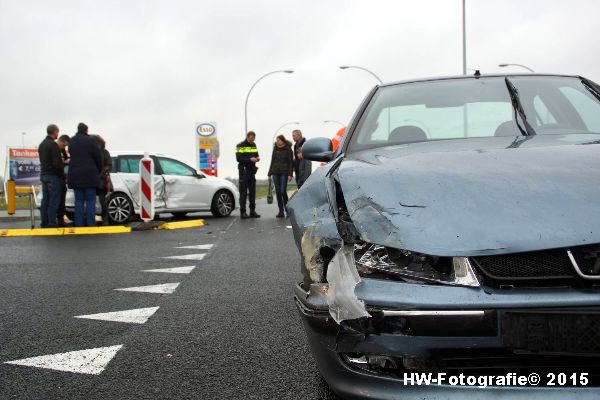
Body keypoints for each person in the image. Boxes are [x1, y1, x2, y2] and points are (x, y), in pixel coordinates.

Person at [67, 123, 102, 227]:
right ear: (86, 130)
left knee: (78, 201)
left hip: (75, 176)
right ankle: (90, 223)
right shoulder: (91, 141)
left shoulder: (72, 141)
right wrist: (97, 170)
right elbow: (98, 158)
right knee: (91, 201)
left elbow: (71, 154)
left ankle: (79, 223)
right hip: (90, 176)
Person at [38, 124, 64, 228]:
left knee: (45, 200)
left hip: (43, 175)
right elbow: (56, 163)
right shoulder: (53, 145)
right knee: (54, 200)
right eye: (57, 132)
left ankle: (44, 222)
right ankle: (52, 223)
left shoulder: (42, 144)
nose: (58, 134)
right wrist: (61, 174)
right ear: (55, 132)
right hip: (53, 176)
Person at [236, 131, 261, 219]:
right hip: (244, 171)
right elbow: (238, 159)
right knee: (243, 193)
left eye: (253, 139)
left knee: (252, 192)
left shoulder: (254, 145)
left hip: (252, 171)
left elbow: (257, 155)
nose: (252, 140)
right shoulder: (240, 145)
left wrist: (257, 158)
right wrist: (250, 159)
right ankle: (243, 212)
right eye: (251, 138)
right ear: (248, 137)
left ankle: (252, 211)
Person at [267, 135, 293, 218]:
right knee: (278, 192)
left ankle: (287, 210)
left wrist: (290, 174)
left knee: (282, 191)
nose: (277, 141)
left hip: (284, 172)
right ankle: (281, 211)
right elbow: (272, 161)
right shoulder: (275, 149)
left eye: (278, 140)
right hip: (275, 172)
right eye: (277, 140)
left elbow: (291, 163)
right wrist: (269, 173)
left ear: (282, 140)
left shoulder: (288, 149)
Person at [92, 135, 112, 225]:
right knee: (102, 201)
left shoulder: (94, 152)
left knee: (96, 201)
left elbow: (108, 166)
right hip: (100, 179)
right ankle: (105, 219)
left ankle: (102, 219)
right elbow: (109, 165)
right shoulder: (104, 152)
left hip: (97, 180)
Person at [56, 134, 71, 226]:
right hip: (57, 177)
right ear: (62, 141)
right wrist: (65, 162)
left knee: (62, 200)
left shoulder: (62, 150)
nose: (64, 147)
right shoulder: (55, 148)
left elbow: (65, 158)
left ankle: (60, 220)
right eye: (64, 145)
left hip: (62, 178)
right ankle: (54, 221)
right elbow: (57, 161)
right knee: (56, 200)